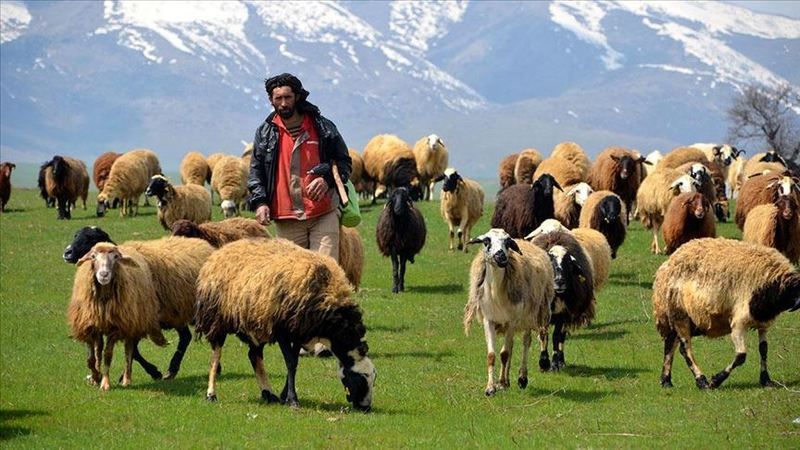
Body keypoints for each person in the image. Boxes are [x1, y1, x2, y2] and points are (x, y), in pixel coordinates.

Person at [248, 73, 352, 262]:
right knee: (292, 274)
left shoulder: (322, 127)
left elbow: (344, 162)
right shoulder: (265, 133)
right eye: (278, 98)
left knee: (325, 270)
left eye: (288, 97)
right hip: (286, 217)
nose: (283, 103)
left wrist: (327, 180)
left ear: (296, 96)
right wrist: (260, 202)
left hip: (323, 212)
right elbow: (256, 172)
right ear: (271, 100)